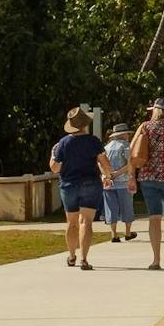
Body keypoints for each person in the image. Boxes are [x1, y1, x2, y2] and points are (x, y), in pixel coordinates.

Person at [50, 107, 113, 270]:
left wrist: (52, 154)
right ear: (85, 125)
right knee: (86, 221)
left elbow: (55, 168)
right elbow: (105, 163)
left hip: (69, 185)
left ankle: (71, 256)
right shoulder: (93, 141)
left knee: (71, 222)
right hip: (90, 183)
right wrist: (107, 177)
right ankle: (84, 259)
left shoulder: (63, 143)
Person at [131, 98, 164, 271]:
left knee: (154, 218)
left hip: (148, 178)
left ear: (155, 110)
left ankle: (156, 260)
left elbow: (133, 151)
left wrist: (131, 176)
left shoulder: (145, 126)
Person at [102, 123, 138, 242]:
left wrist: (108, 175)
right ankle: (127, 233)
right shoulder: (126, 146)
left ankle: (114, 234)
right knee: (126, 207)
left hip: (108, 183)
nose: (128, 135)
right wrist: (118, 173)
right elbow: (130, 163)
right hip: (123, 182)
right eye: (127, 133)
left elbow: (99, 163)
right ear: (123, 135)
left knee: (111, 208)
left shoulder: (106, 147)